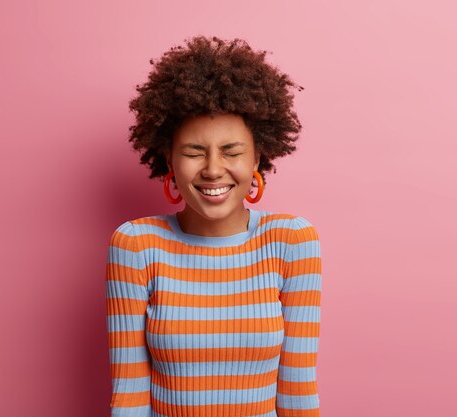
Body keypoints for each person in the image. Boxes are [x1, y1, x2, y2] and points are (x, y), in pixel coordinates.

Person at [105, 35, 322, 417]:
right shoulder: (136, 246)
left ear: (258, 154)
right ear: (168, 157)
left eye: (232, 151)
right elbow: (130, 395)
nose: (212, 169)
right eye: (193, 152)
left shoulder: (291, 242)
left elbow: (298, 390)